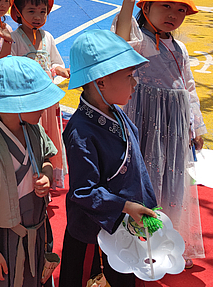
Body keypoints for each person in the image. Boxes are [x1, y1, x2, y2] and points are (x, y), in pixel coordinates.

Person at [111, 0, 205, 264]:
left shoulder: (179, 48)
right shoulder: (140, 40)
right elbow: (120, 44)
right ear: (147, 6)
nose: (173, 15)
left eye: (181, 10)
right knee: (143, 180)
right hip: (143, 121)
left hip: (174, 127)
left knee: (173, 182)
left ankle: (169, 241)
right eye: (165, 6)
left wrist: (196, 126)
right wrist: (128, 2)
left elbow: (189, 88)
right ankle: (139, 244)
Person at [59, 30, 158, 287]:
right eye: (128, 76)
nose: (134, 84)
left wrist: (146, 204)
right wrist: (125, 206)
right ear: (101, 82)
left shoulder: (115, 112)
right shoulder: (81, 132)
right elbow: (83, 192)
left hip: (123, 224)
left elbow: (136, 166)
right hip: (94, 234)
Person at [0, 56, 65, 287]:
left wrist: (46, 175)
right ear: (15, 105)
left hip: (36, 229)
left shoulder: (35, 131)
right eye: (37, 102)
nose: (44, 108)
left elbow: (47, 160)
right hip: (2, 237)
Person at [10, 0, 69, 189]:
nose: (38, 17)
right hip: (28, 102)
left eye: (43, 12)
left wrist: (59, 70)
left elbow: (54, 62)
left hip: (48, 102)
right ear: (18, 13)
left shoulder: (48, 37)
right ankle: (30, 178)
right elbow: (12, 68)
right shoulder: (14, 39)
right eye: (31, 11)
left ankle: (47, 178)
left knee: (49, 137)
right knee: (31, 138)